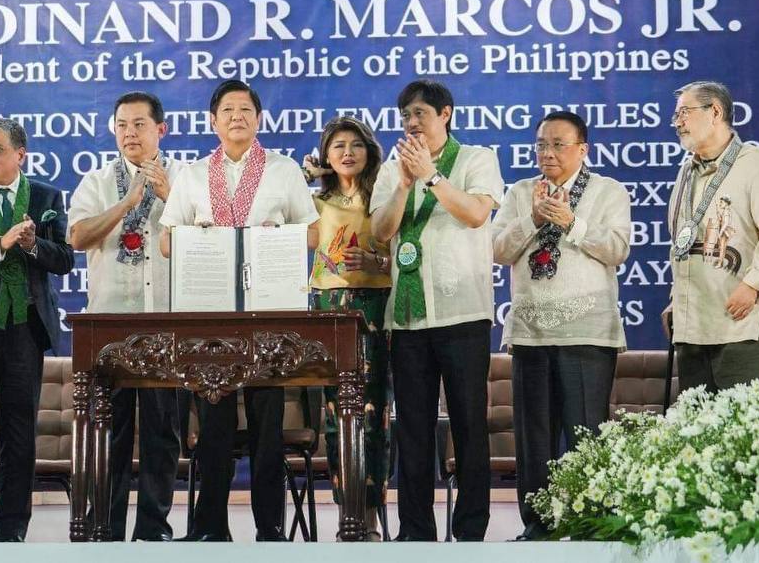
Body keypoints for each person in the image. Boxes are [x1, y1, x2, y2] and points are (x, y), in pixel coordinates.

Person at [159, 79, 319, 542]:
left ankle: (270, 528)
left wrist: (276, 237)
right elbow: (167, 241)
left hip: (268, 315)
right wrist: (197, 239)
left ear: (259, 118)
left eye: (245, 109)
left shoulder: (283, 170)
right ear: (213, 121)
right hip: (211, 317)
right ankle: (210, 528)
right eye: (227, 110)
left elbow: (313, 234)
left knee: (268, 430)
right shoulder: (192, 175)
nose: (237, 117)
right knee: (214, 429)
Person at [369, 78, 503, 542]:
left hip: (462, 312)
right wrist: (404, 185)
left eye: (420, 114)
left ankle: (470, 531)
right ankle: (416, 530)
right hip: (408, 319)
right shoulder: (392, 168)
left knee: (468, 423)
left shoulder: (476, 158)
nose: (412, 122)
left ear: (445, 114)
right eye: (406, 115)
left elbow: (475, 214)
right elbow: (380, 232)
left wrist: (430, 175)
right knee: (412, 427)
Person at [491, 110, 631, 540]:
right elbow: (497, 249)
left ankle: (593, 526)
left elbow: (617, 249)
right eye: (541, 145)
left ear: (582, 149)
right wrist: (533, 219)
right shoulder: (520, 192)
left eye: (558, 144)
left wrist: (572, 222)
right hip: (530, 333)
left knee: (587, 435)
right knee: (534, 438)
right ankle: (539, 526)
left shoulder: (607, 190)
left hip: (587, 332)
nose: (547, 153)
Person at [68, 92, 183, 541]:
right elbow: (78, 237)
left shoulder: (186, 178)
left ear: (161, 130)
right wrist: (126, 203)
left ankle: (153, 529)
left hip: (166, 321)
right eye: (122, 125)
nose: (129, 133)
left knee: (161, 432)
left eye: (139, 124)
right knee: (109, 431)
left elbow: (206, 234)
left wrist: (167, 196)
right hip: (110, 324)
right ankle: (107, 527)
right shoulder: (97, 181)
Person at [0, 117, 75, 542]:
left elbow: (64, 259)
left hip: (26, 329)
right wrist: (1, 243)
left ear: (19, 155)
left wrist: (31, 244)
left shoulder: (46, 196)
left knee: (20, 432)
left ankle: (11, 530)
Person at [663, 81, 759, 394]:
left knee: (746, 420)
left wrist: (753, 284)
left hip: (742, 323)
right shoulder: (686, 172)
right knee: (698, 423)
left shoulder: (756, 164)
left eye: (684, 112)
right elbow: (682, 243)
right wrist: (677, 300)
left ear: (715, 112)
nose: (677, 122)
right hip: (692, 327)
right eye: (676, 115)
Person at [303, 116, 392, 541]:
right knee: (336, 417)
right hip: (327, 309)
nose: (347, 153)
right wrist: (302, 180)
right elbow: (283, 229)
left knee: (372, 415)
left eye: (356, 144)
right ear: (326, 156)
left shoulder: (384, 198)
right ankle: (346, 517)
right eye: (337, 146)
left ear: (369, 152)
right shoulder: (315, 203)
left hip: (373, 307)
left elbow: (404, 255)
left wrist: (375, 262)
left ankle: (370, 518)